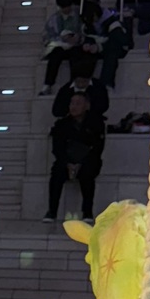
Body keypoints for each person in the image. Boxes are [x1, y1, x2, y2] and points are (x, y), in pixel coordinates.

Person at [47, 90, 105, 223]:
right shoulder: (61, 124)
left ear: (86, 106)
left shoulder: (96, 124)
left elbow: (97, 148)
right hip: (66, 161)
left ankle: (87, 212)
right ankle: (52, 211)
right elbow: (57, 149)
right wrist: (68, 163)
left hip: (87, 161)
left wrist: (80, 163)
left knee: (88, 174)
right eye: (72, 103)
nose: (73, 107)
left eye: (78, 103)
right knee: (56, 173)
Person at [42, 0, 84, 90]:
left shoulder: (79, 16)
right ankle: (48, 84)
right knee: (55, 54)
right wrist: (62, 39)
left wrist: (78, 38)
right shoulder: (54, 19)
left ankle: (74, 82)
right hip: (60, 45)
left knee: (76, 55)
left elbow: (85, 31)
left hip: (76, 46)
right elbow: (46, 37)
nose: (66, 9)